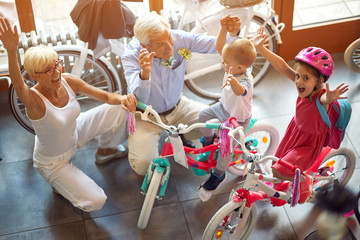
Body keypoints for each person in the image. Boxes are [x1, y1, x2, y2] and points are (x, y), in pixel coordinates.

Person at [0, 17, 137, 212]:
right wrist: (12, 50)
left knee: (117, 106)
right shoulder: (34, 101)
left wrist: (124, 99)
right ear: (35, 76)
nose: (56, 72)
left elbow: (106, 96)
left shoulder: (68, 80)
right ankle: (58, 183)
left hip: (75, 132)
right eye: (48, 70)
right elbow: (18, 85)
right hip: (53, 160)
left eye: (56, 64)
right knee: (97, 200)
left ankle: (106, 150)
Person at [121, 12, 241, 175]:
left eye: (169, 38)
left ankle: (180, 134)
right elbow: (140, 98)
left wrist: (232, 33)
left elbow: (218, 46)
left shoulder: (179, 38)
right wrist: (145, 73)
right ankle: (167, 137)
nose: (170, 47)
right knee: (144, 166)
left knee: (224, 128)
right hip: (146, 115)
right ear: (145, 46)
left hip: (179, 107)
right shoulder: (131, 56)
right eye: (161, 44)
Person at [254, 26, 349, 203]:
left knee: (278, 170)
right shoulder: (304, 86)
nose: (298, 81)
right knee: (279, 161)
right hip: (295, 131)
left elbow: (325, 100)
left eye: (306, 78)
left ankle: (305, 180)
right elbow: (282, 66)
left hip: (307, 144)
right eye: (298, 76)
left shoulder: (321, 98)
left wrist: (330, 97)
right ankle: (294, 178)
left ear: (320, 82)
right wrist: (261, 49)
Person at [198, 15, 257, 202]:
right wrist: (223, 29)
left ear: (240, 66)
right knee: (202, 116)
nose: (223, 64)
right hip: (223, 108)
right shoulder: (233, 66)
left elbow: (241, 91)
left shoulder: (244, 78)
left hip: (237, 118)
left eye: (226, 62)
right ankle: (208, 139)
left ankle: (219, 174)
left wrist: (233, 83)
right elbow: (220, 47)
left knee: (225, 148)